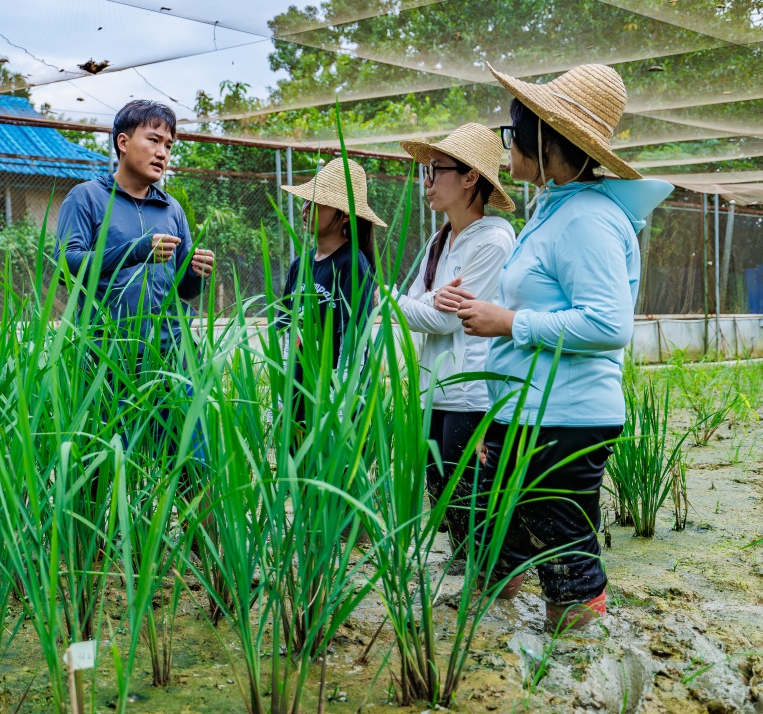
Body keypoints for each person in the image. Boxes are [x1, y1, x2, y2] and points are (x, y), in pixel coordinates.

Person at [439, 64, 673, 631]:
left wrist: (509, 322)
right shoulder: (555, 208)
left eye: (510, 130)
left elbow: (608, 323)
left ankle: (575, 651)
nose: (505, 143)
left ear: (543, 137)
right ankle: (492, 631)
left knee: (564, 552)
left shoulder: (588, 219)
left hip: (564, 417)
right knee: (496, 525)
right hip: (524, 411)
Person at [394, 124, 516, 550]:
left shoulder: (495, 239)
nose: (427, 182)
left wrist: (392, 299)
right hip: (433, 389)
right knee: (441, 503)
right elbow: (413, 305)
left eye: (436, 170)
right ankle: (460, 594)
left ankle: (482, 596)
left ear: (470, 178)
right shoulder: (438, 239)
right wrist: (425, 299)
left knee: (469, 506)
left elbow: (446, 321)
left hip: (470, 393)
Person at [54, 99, 215, 356]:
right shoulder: (86, 197)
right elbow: (64, 266)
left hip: (170, 356)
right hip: (107, 357)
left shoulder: (172, 209)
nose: (162, 152)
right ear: (123, 143)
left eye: (168, 145)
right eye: (153, 140)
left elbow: (185, 290)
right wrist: (135, 251)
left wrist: (197, 273)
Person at [275, 158, 384, 434]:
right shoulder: (301, 265)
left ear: (345, 214)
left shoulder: (353, 264)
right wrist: (281, 394)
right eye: (305, 200)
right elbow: (288, 334)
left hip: (336, 402)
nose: (305, 209)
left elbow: (353, 345)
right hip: (299, 394)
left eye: (317, 202)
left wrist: (337, 407)